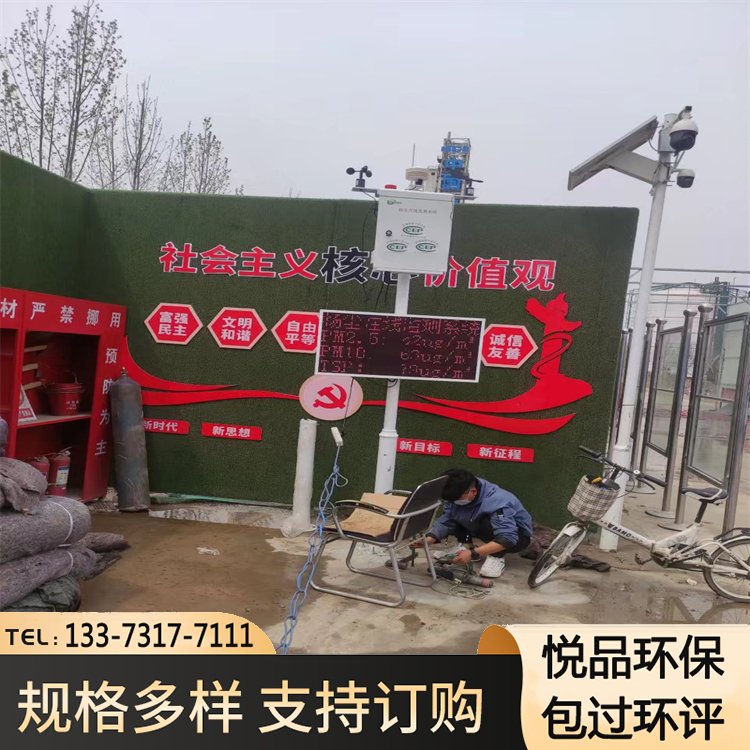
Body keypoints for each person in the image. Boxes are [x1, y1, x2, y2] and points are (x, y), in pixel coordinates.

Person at [418, 468, 533, 578]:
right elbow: (447, 518)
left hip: (517, 537)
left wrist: (473, 553)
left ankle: (496, 556)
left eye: (456, 500)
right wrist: (431, 538)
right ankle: (465, 546)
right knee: (458, 513)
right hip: (479, 526)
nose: (453, 502)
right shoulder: (458, 492)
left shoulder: (497, 501)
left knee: (486, 521)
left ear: (473, 491)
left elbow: (508, 537)